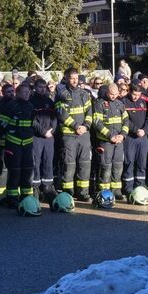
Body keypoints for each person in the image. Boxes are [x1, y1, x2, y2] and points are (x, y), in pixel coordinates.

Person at [56, 68, 94, 201]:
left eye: (76, 78)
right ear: (66, 78)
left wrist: (86, 126)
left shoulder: (85, 94)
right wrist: (76, 126)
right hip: (69, 135)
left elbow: (89, 112)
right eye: (72, 78)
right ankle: (68, 193)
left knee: (84, 163)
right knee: (69, 164)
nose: (75, 80)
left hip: (84, 135)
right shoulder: (61, 94)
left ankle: (83, 193)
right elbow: (61, 113)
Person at [0, 83, 35, 207]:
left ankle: (27, 196)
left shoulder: (30, 106)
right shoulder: (10, 106)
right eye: (24, 92)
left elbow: (33, 123)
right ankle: (12, 198)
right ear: (17, 93)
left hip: (28, 143)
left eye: (28, 92)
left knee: (27, 171)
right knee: (14, 172)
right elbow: (3, 123)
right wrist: (12, 130)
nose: (27, 94)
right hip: (13, 142)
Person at [91, 83, 129, 200]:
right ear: (107, 92)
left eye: (115, 94)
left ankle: (116, 190)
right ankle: (103, 191)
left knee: (118, 166)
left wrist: (122, 135)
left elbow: (126, 121)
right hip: (106, 141)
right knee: (105, 167)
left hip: (119, 141)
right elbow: (97, 122)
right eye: (111, 94)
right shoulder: (99, 104)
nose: (113, 96)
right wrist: (110, 136)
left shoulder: (120, 104)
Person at [30, 78, 57, 202]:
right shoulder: (31, 101)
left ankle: (48, 188)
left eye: (44, 86)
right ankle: (35, 188)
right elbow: (32, 121)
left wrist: (51, 130)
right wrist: (43, 132)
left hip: (49, 137)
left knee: (48, 161)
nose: (42, 89)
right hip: (37, 137)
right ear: (35, 87)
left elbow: (54, 118)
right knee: (36, 162)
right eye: (39, 86)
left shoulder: (49, 101)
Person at [122, 85, 148, 196]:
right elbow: (125, 120)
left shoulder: (144, 101)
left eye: (138, 95)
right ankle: (128, 188)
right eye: (134, 94)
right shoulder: (123, 101)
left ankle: (140, 185)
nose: (136, 97)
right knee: (129, 162)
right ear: (129, 91)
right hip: (130, 138)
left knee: (142, 163)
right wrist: (135, 130)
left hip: (143, 137)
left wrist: (144, 130)